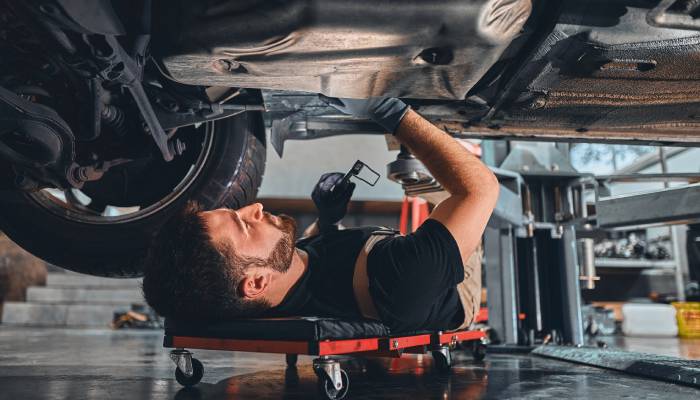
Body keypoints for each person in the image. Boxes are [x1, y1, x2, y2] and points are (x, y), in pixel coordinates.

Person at [142, 97, 499, 333]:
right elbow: (480, 190)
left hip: (364, 260)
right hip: (448, 288)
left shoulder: (267, 290)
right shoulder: (402, 278)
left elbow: (310, 261)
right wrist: (391, 111)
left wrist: (328, 219)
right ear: (255, 283)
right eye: (244, 224)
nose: (254, 207)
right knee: (444, 178)